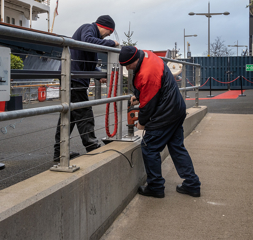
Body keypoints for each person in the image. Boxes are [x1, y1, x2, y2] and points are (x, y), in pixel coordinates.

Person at [119, 46, 201, 198]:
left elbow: (149, 103)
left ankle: (155, 187)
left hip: (166, 114)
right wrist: (139, 96)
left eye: (127, 65)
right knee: (177, 147)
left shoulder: (146, 73)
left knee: (149, 148)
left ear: (134, 60)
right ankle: (192, 184)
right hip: (176, 108)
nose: (127, 68)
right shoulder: (148, 56)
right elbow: (156, 88)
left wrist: (141, 122)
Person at [53, 15, 120, 161]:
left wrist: (98, 75)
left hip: (72, 76)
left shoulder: (91, 34)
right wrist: (111, 43)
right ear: (105, 27)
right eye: (109, 32)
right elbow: (87, 41)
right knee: (84, 113)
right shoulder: (88, 28)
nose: (108, 35)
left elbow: (87, 64)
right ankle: (92, 147)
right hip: (74, 78)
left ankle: (59, 152)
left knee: (68, 116)